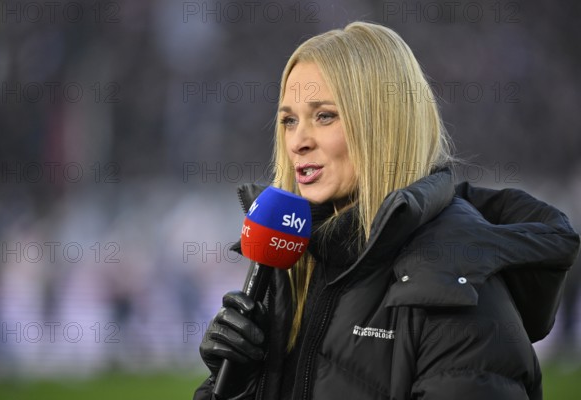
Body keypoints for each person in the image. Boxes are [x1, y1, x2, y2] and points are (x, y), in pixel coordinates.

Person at [193, 21, 580, 400]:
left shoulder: (455, 282)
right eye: (289, 120)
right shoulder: (288, 267)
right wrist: (233, 388)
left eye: (324, 115)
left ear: (383, 124)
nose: (298, 141)